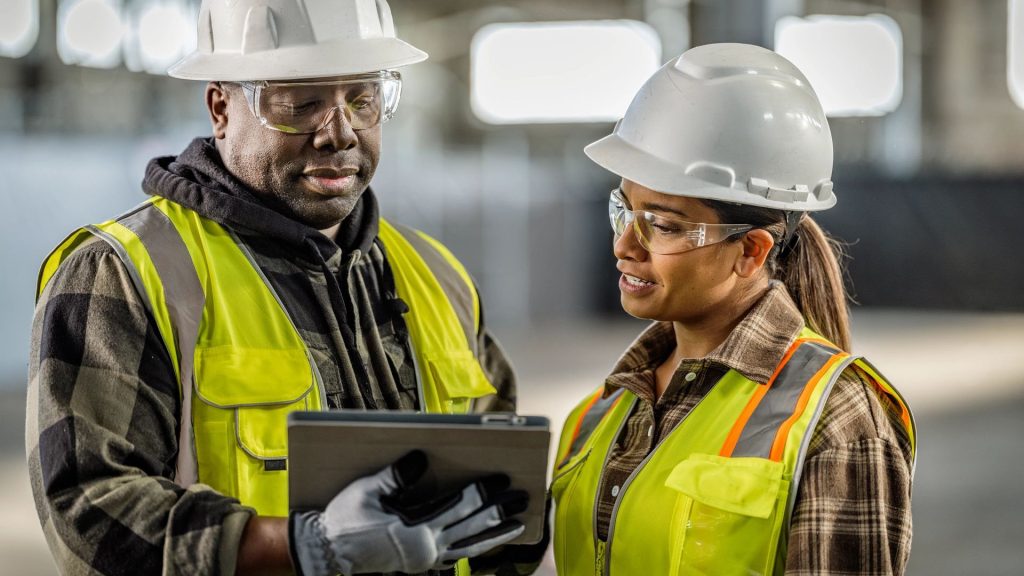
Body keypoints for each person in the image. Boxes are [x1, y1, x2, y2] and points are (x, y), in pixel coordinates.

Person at [26, 0, 540, 574]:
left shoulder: (437, 274)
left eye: (362, 101)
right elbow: (91, 510)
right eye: (299, 105)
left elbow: (503, 503)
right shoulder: (125, 274)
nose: (338, 134)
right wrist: (304, 547)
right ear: (221, 108)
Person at [550, 43, 917, 575]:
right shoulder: (599, 415)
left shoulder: (836, 418)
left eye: (663, 225)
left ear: (750, 251)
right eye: (624, 211)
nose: (624, 245)